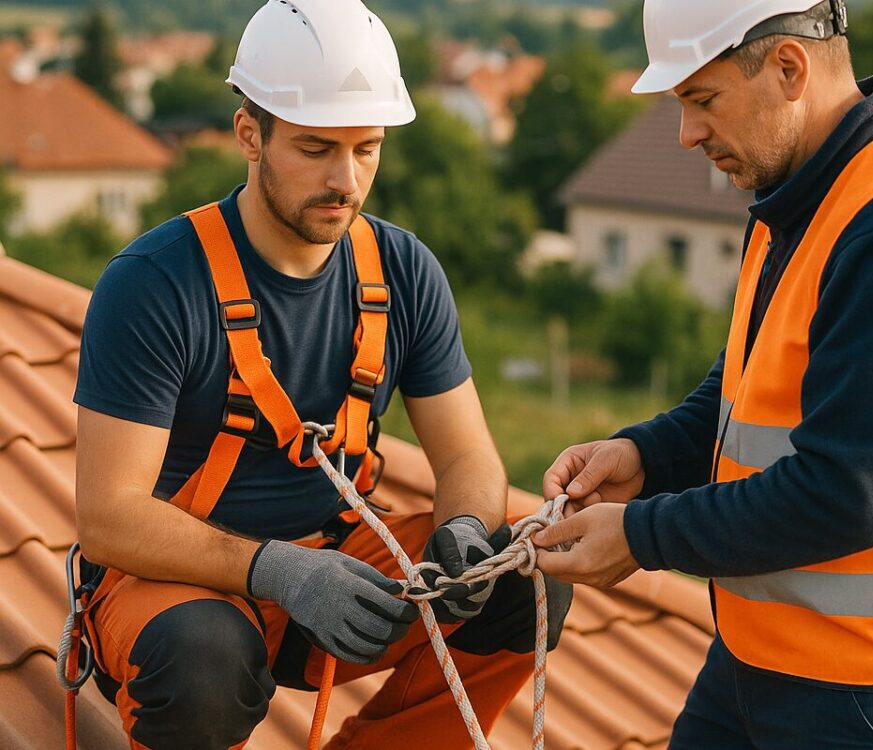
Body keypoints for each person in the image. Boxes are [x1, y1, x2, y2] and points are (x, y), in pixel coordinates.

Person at [73, 1, 571, 748]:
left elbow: (469, 456)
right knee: (206, 660)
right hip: (179, 592)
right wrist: (281, 573)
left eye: (366, 150)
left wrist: (466, 528)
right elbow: (108, 516)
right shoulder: (155, 283)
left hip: (338, 584)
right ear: (250, 134)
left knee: (527, 577)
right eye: (315, 148)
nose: (345, 180)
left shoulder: (402, 272)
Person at [534, 0, 873, 747]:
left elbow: (846, 495)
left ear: (789, 69)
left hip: (868, 696)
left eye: (702, 100)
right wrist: (647, 455)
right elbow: (746, 384)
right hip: (753, 661)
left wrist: (640, 536)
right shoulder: (794, 192)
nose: (687, 133)